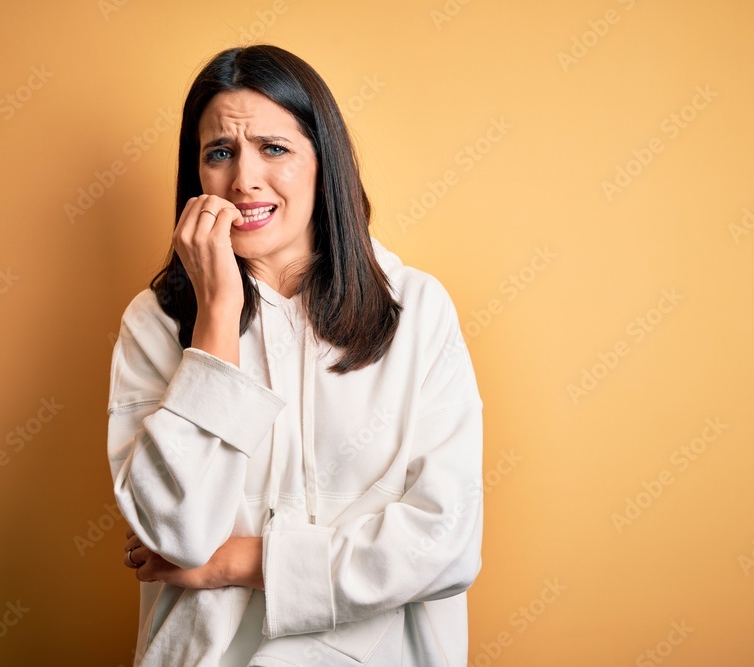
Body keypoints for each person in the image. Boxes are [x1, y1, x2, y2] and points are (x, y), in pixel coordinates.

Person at [106, 44, 484, 666]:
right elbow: (175, 530)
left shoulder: (417, 308)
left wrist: (239, 561)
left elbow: (445, 541)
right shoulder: (155, 322)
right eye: (219, 153)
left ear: (322, 163)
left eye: (274, 149)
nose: (244, 179)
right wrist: (217, 318)